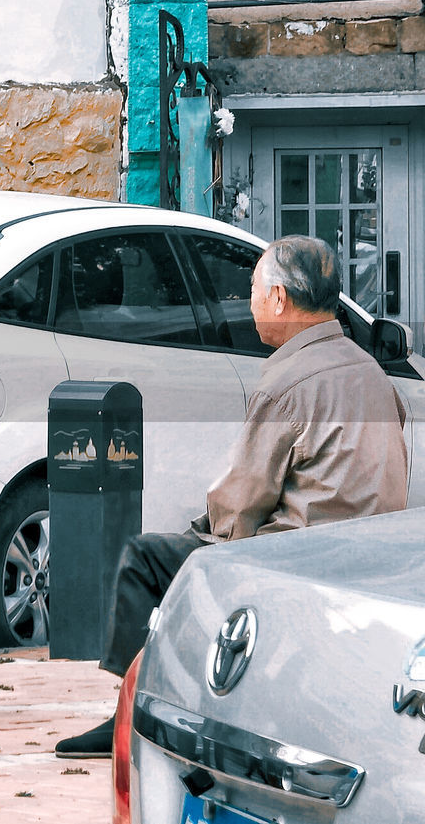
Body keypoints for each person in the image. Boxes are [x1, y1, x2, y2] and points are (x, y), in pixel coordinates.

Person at [55, 235, 410, 758]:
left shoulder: (288, 381)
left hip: (293, 557)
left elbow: (238, 509)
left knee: (148, 558)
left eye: (252, 290)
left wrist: (203, 533)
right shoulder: (376, 377)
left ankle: (130, 713)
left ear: (280, 300)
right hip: (366, 558)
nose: (249, 303)